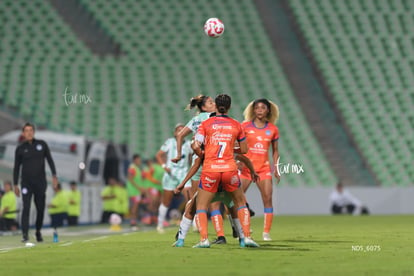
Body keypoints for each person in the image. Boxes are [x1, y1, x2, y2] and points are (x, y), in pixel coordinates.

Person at [192, 94, 259, 248]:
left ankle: (204, 240)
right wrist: (229, 148)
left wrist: (204, 153)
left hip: (211, 169)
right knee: (240, 203)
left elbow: (196, 145)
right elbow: (244, 149)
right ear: (229, 107)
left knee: (202, 205)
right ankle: (247, 237)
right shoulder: (237, 125)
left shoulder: (206, 124)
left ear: (216, 106)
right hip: (230, 169)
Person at [172, 152, 259, 247]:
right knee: (236, 207)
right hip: (227, 185)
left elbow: (196, 164)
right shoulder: (229, 150)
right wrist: (253, 172)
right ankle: (243, 238)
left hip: (211, 184)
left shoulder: (206, 151)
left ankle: (188, 240)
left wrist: (183, 183)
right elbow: (245, 158)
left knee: (192, 208)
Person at [239, 99, 280, 241]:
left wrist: (277, 167)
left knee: (267, 199)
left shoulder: (273, 129)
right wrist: (238, 160)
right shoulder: (244, 126)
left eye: (263, 107)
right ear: (253, 110)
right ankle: (245, 226)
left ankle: (266, 232)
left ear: (268, 110)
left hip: (263, 169)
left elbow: (275, 151)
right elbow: (236, 144)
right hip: (246, 169)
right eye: (257, 108)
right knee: (237, 198)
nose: (260, 110)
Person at [13, 122, 58, 242]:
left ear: (34, 132)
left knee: (40, 209)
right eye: (26, 131)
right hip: (26, 183)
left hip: (40, 183)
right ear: (23, 133)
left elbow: (50, 160)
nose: (29, 132)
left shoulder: (42, 145)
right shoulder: (20, 149)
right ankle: (25, 235)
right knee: (26, 207)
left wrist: (54, 175)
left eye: (31, 130)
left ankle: (38, 231)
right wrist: (15, 184)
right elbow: (16, 167)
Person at [156, 123, 192, 233]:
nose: (180, 132)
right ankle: (160, 224)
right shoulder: (170, 142)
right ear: (175, 133)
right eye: (178, 130)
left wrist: (189, 169)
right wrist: (164, 166)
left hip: (184, 175)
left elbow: (191, 158)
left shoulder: (189, 144)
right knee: (166, 201)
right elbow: (159, 155)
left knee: (190, 200)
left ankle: (195, 224)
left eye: (182, 130)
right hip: (170, 175)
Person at [125, 154, 146, 228]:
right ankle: (133, 222)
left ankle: (134, 221)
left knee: (136, 206)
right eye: (138, 160)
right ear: (134, 160)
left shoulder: (137, 168)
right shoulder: (132, 167)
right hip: (134, 190)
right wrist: (139, 188)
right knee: (134, 206)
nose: (139, 161)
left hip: (137, 190)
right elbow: (130, 178)